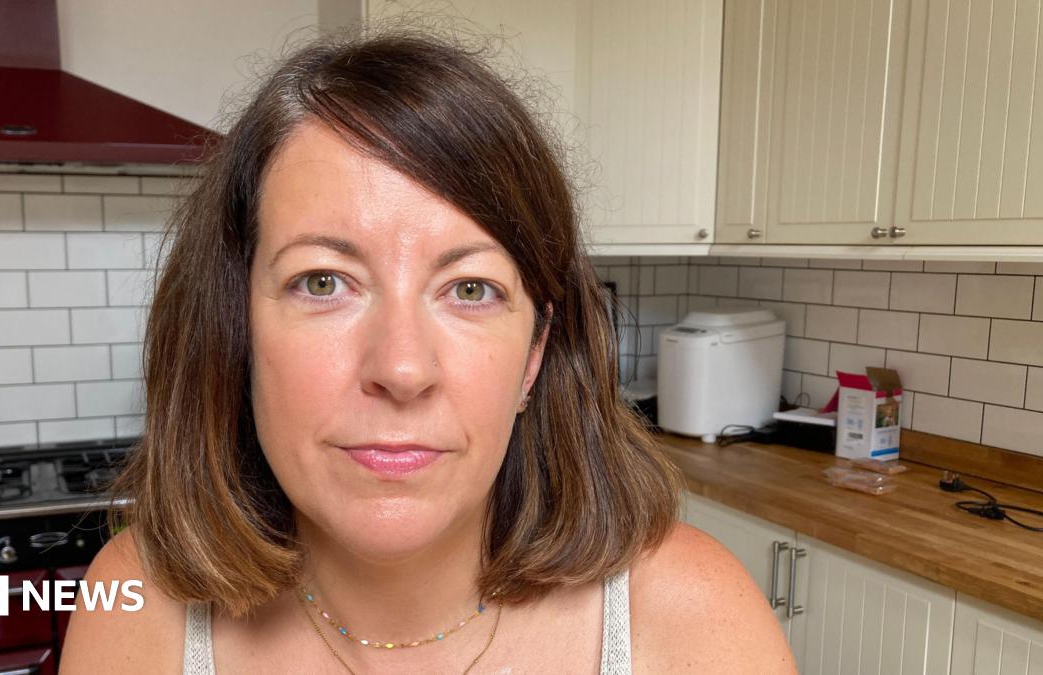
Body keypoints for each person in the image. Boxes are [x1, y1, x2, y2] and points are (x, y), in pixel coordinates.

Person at [59, 26, 795, 674]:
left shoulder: (695, 618)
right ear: (235, 327)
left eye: (470, 289)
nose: (403, 368)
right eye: (324, 281)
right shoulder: (137, 607)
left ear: (534, 353)